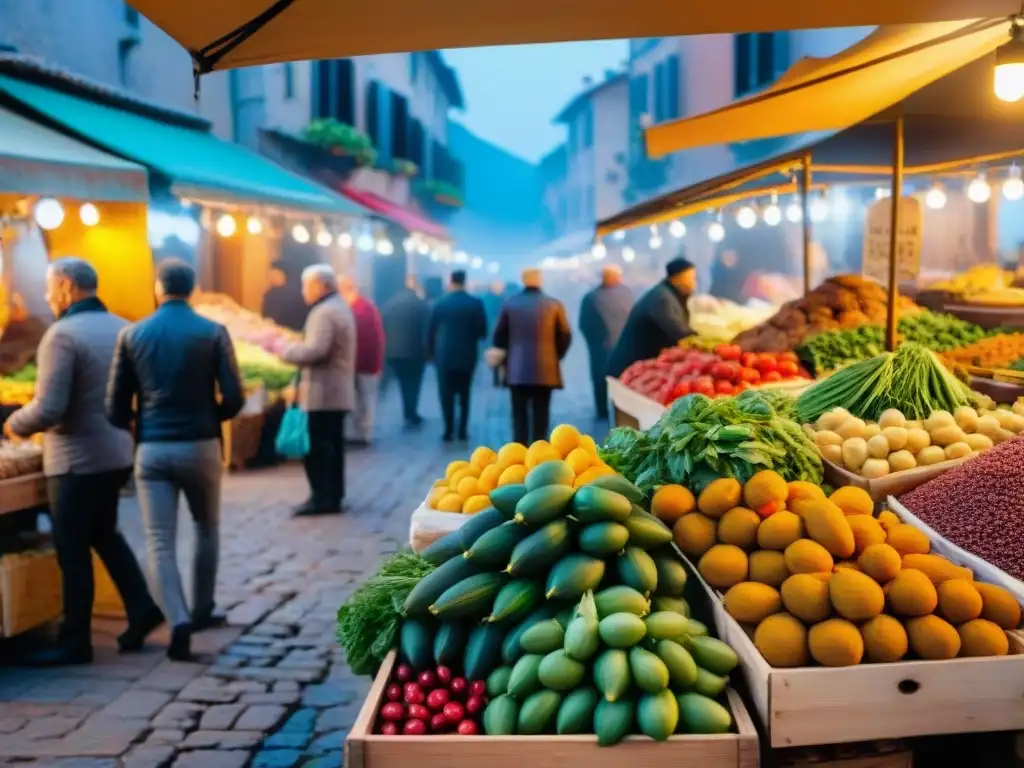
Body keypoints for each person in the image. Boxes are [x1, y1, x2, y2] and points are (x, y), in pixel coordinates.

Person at [2, 259, 163, 666]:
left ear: (66, 285)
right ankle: (142, 608)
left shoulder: (62, 335)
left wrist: (12, 424)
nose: (45, 295)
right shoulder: (122, 327)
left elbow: (51, 408)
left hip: (75, 458)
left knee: (72, 548)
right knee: (104, 533)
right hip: (115, 452)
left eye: (48, 286)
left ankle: (76, 640)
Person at [107, 259, 244, 662]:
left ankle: (178, 617)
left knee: (159, 540)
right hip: (201, 444)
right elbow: (234, 396)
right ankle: (203, 609)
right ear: (193, 289)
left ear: (157, 288)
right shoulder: (214, 332)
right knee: (207, 527)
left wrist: (142, 423)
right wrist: (209, 417)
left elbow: (114, 407)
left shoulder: (132, 334)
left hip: (152, 449)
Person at [280, 265, 356, 516]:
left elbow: (316, 350)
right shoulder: (339, 306)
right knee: (332, 447)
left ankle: (322, 497)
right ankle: (332, 495)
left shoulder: (324, 312)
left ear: (321, 284)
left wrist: (286, 350)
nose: (304, 291)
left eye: (307, 285)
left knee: (320, 448)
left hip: (324, 393)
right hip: (336, 391)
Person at [492, 268, 572, 445]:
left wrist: (509, 354)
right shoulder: (554, 304)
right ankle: (539, 452)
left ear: (523, 280)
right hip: (546, 371)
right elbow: (565, 334)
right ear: (540, 280)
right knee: (541, 416)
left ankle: (519, 455)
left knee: (519, 417)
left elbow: (498, 337)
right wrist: (555, 356)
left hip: (517, 370)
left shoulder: (510, 303)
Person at [606, 257, 697, 378]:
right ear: (677, 278)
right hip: (629, 369)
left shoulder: (668, 294)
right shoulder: (662, 298)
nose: (694, 282)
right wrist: (708, 343)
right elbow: (678, 331)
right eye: (691, 277)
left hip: (636, 367)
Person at [427, 270, 488, 442]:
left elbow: (430, 331)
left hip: (444, 355)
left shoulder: (441, 303)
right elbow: (483, 332)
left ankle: (448, 429)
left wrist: (431, 354)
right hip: (467, 355)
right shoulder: (475, 303)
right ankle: (462, 430)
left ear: (450, 281)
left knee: (446, 394)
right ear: (465, 281)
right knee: (464, 393)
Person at [579, 265, 634, 421]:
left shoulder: (591, 297)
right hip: (620, 346)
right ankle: (617, 410)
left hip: (602, 348)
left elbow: (584, 324)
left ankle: (603, 411)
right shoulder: (627, 293)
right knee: (620, 380)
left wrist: (596, 341)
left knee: (601, 379)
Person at [338, 274, 384, 446]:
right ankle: (357, 433)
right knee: (358, 399)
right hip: (359, 362)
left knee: (365, 399)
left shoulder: (360, 309)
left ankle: (363, 434)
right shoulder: (361, 307)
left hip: (365, 363)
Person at [381, 276, 430, 427]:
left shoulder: (389, 305)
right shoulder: (421, 304)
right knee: (413, 383)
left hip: (394, 352)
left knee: (402, 382)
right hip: (416, 352)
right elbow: (428, 328)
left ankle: (407, 410)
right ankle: (411, 411)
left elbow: (383, 326)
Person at [260, 261, 308, 332]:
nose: (271, 278)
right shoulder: (270, 292)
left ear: (284, 275)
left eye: (275, 275)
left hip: (288, 333)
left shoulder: (293, 294)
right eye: (270, 275)